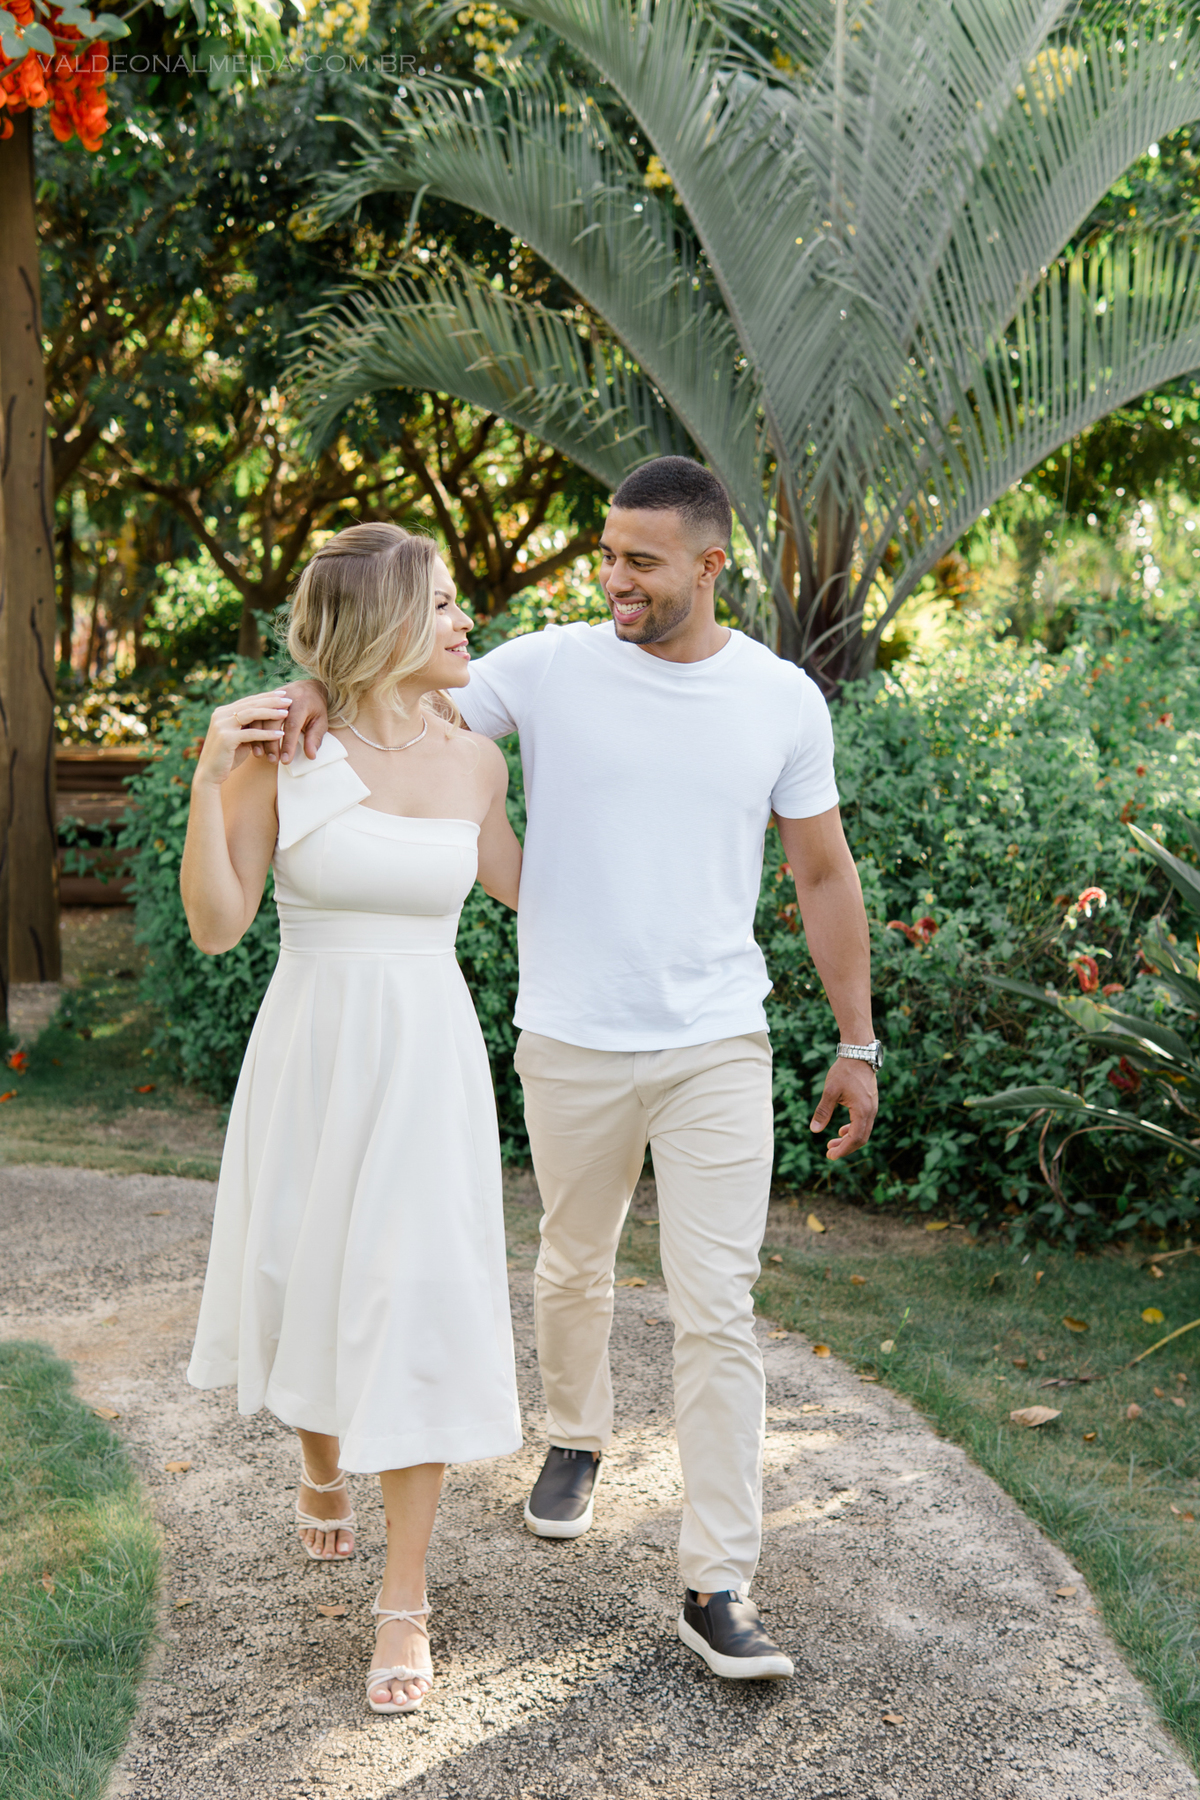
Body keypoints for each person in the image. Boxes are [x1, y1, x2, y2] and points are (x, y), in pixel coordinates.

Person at [274, 459, 879, 1682]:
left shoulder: (779, 699)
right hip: (568, 1031)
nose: (614, 579)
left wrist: (855, 1037)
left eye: (640, 562)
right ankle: (577, 1433)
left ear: (711, 566)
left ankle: (717, 1582)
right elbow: (390, 682)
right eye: (605, 554)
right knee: (571, 1254)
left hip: (718, 1037)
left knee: (718, 1309)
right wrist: (298, 692)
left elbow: (823, 874)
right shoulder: (546, 666)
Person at [182, 523, 524, 1715]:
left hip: (428, 1056)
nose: (463, 621)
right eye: (439, 605)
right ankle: (319, 1466)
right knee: (305, 1274)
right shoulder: (287, 749)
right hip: (313, 1048)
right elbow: (221, 925)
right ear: (383, 622)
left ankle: (405, 1600)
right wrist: (207, 779)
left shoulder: (478, 764)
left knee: (414, 1295)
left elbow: (538, 892)